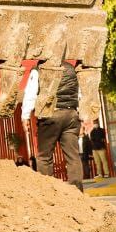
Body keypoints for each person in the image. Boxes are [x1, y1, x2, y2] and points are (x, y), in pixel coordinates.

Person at [21, 58, 85, 190]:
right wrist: (80, 115)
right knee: (73, 156)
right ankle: (78, 191)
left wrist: (25, 116)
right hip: (71, 114)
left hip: (50, 114)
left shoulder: (39, 69)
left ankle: (48, 191)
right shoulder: (70, 69)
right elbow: (78, 93)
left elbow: (30, 94)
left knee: (45, 156)